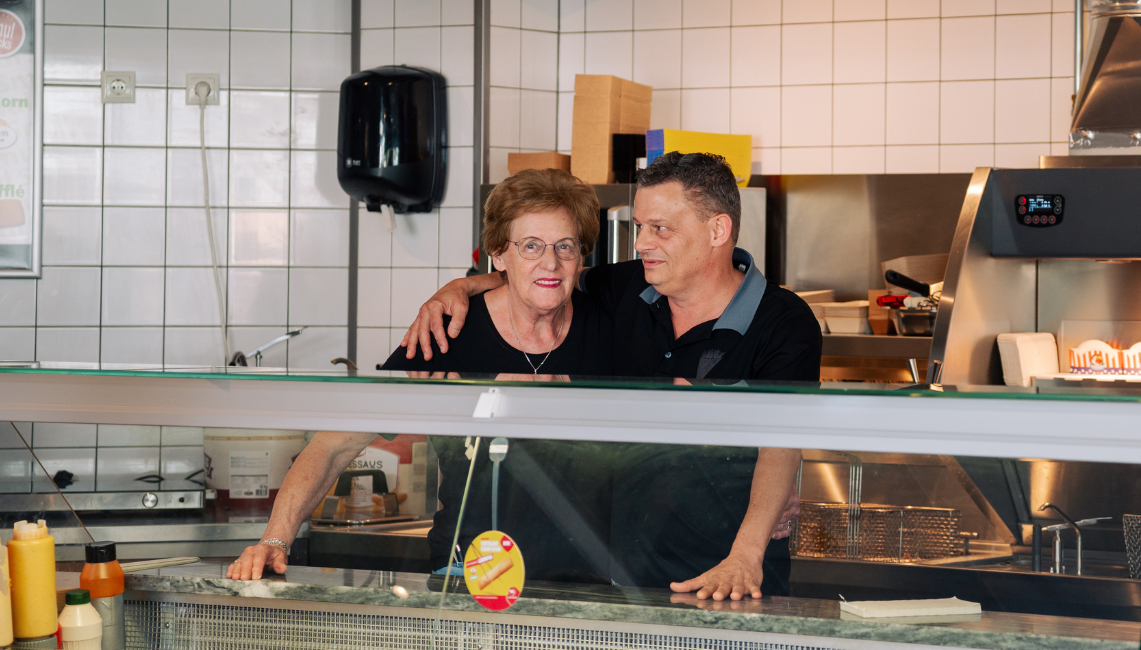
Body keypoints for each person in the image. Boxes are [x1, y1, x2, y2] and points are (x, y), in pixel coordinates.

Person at [402, 152, 823, 600]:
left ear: (717, 230)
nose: (641, 243)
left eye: (660, 228)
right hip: (623, 581)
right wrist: (459, 288)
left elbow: (781, 447)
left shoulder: (783, 321)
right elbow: (548, 273)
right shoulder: (629, 289)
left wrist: (745, 555)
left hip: (728, 577)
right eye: (640, 227)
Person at [228, 169, 613, 582]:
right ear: (499, 255)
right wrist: (275, 540)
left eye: (565, 247)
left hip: (590, 579)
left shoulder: (611, 326)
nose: (550, 262)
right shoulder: (447, 335)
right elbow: (332, 447)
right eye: (531, 246)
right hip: (473, 578)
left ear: (582, 254)